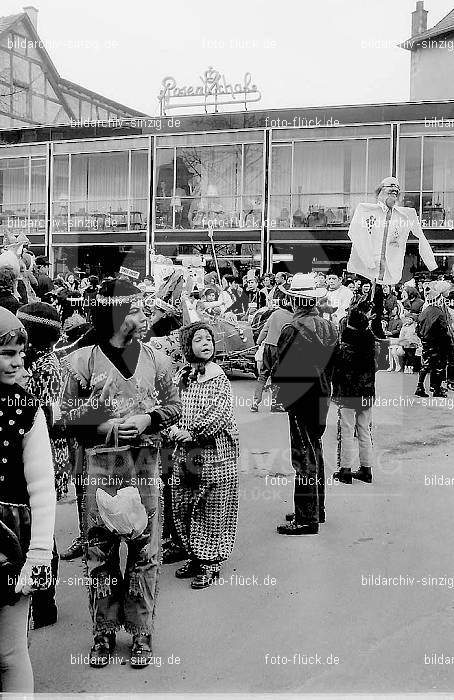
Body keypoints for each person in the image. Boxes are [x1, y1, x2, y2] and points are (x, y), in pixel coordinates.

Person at [61, 279, 181, 668]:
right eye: (135, 309)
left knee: (146, 548)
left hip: (145, 464)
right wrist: (102, 426)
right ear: (114, 316)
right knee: (100, 549)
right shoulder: (81, 363)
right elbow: (66, 417)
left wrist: (148, 417)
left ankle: (142, 632)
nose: (145, 315)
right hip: (100, 466)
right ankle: (104, 631)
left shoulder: (158, 360)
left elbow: (174, 406)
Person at [0, 308, 56, 692]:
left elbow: (42, 486)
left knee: (9, 652)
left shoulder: (24, 409)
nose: (19, 361)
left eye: (21, 352)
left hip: (10, 544)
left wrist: (39, 554)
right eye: (8, 353)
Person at [170, 322, 240, 588]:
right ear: (188, 346)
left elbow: (219, 414)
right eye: (198, 339)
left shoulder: (218, 377)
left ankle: (210, 562)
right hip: (185, 454)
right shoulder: (183, 376)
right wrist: (173, 429)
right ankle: (195, 555)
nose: (205, 343)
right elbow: (170, 405)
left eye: (208, 339)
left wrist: (194, 433)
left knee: (211, 508)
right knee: (185, 504)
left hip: (215, 454)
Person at [271, 274, 338, 535]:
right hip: (322, 393)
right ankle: (315, 509)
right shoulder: (329, 327)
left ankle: (306, 518)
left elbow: (281, 368)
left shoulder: (293, 328)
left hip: (300, 397)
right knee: (315, 450)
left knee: (303, 456)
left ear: (295, 299)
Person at [332, 303, 376, 485]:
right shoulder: (370, 344)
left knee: (347, 431)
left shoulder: (343, 347)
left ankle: (345, 470)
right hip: (366, 393)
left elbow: (335, 371)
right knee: (364, 431)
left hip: (348, 394)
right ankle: (366, 470)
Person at [250, 295, 293, 412]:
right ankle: (276, 404)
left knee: (263, 374)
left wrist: (259, 342)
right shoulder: (293, 318)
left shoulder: (275, 314)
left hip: (268, 346)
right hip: (280, 349)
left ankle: (255, 402)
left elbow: (265, 329)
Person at [415, 281, 453, 398]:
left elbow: (418, 329)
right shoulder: (439, 313)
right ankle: (437, 389)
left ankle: (420, 387)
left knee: (426, 366)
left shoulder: (424, 311)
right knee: (440, 367)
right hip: (438, 344)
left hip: (426, 342)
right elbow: (444, 330)